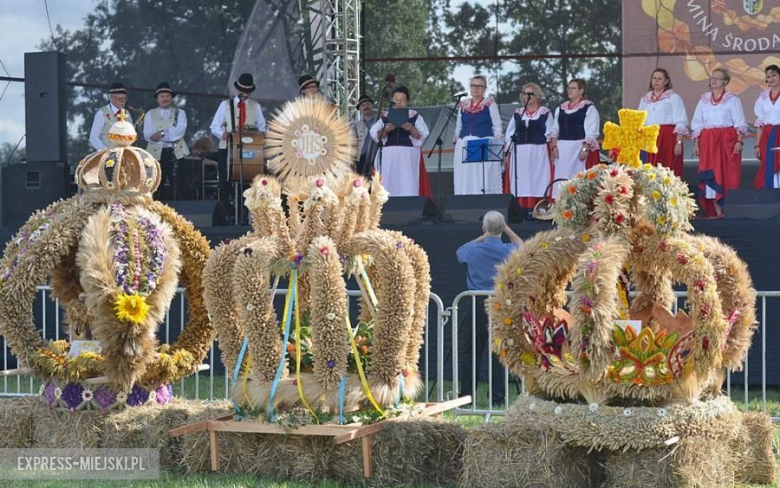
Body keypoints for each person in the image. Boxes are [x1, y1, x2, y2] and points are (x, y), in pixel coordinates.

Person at [456, 210, 523, 407]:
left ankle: (467, 397)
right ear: (502, 228)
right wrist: (506, 230)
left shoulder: (473, 249)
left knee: (471, 351)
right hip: (498, 303)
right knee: (498, 352)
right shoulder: (509, 250)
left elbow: (460, 252)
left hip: (476, 302)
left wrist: (483, 235)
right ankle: (497, 399)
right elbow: (525, 247)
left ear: (484, 228)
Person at [691, 67, 748, 218]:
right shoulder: (703, 100)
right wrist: (697, 144)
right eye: (712, 77)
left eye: (718, 77)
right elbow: (697, 123)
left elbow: (740, 122)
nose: (714, 79)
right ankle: (717, 213)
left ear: (725, 82)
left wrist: (739, 142)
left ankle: (727, 212)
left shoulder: (732, 99)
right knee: (711, 176)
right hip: (709, 143)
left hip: (727, 143)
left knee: (726, 175)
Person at [209, 73, 267, 203]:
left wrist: (254, 132)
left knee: (248, 181)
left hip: (249, 149)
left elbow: (262, 128)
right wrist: (222, 134)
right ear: (237, 90)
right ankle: (225, 210)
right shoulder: (225, 105)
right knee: (224, 181)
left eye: (248, 91)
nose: (245, 94)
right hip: (227, 148)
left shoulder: (255, 106)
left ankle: (246, 211)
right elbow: (214, 126)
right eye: (243, 91)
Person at [369, 86, 431, 196]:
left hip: (408, 154)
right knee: (387, 180)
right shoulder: (386, 115)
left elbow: (422, 136)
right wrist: (386, 130)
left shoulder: (414, 115)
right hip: (388, 154)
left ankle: (409, 205)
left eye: (402, 100)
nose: (399, 103)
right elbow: (375, 134)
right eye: (396, 100)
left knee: (408, 180)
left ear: (407, 102)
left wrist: (411, 129)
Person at [504, 83, 554, 216]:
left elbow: (551, 132)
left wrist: (553, 149)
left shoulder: (544, 113)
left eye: (530, 93)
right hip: (519, 153)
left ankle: (539, 208)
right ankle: (521, 210)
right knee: (521, 180)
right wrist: (507, 153)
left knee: (538, 179)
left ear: (538, 96)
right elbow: (510, 133)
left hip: (539, 152)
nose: (527, 96)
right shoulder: (518, 113)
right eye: (525, 93)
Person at [452, 75, 503, 195]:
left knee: (481, 177)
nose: (476, 89)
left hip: (482, 143)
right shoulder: (463, 105)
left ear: (485, 89)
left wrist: (496, 144)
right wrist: (457, 139)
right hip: (464, 144)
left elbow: (497, 125)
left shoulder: (489, 104)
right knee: (465, 176)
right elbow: (459, 126)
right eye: (474, 86)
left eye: (480, 86)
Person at [549, 78, 600, 197]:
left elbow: (591, 131)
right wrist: (554, 147)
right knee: (561, 180)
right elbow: (555, 129)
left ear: (581, 91)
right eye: (568, 88)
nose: (569, 90)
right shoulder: (560, 109)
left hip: (578, 148)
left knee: (577, 178)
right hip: (562, 150)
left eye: (573, 88)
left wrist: (584, 149)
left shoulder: (588, 108)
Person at [637, 68, 689, 178]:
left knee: (668, 170)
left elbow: (681, 122)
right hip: (649, 139)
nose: (656, 81)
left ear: (666, 81)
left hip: (667, 139)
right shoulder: (645, 99)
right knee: (649, 172)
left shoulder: (673, 98)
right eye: (654, 78)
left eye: (659, 78)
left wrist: (678, 143)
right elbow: (640, 121)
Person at [143, 82, 189, 201]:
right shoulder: (150, 114)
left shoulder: (180, 113)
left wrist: (161, 134)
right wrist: (169, 134)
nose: (165, 99)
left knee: (180, 184)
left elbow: (180, 131)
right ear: (157, 99)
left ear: (171, 98)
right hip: (157, 153)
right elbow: (148, 135)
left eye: (167, 96)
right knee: (157, 183)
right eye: (162, 96)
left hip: (177, 152)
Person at [753, 64, 780, 190]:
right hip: (768, 136)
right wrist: (758, 145)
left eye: (774, 75)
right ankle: (771, 197)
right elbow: (760, 123)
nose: (771, 79)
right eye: (768, 77)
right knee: (769, 165)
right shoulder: (763, 97)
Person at [89, 82, 133, 151]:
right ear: (112, 98)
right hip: (107, 156)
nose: (123, 101)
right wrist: (105, 151)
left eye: (125, 98)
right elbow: (93, 137)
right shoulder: (101, 113)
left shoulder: (127, 113)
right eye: (120, 99)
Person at [353, 94, 377, 176]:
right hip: (362, 157)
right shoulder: (356, 125)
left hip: (377, 155)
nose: (365, 107)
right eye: (362, 105)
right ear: (360, 109)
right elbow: (354, 143)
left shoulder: (380, 121)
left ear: (372, 106)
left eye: (367, 104)